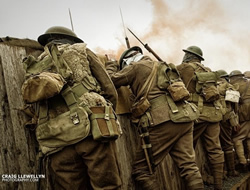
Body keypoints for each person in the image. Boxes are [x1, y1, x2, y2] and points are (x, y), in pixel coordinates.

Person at [22, 26, 122, 190]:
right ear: (71, 40)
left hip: (57, 140)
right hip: (92, 130)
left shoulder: (36, 65)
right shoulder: (81, 50)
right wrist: (107, 117)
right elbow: (109, 89)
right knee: (107, 186)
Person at [106, 46, 204, 190]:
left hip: (163, 120)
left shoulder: (135, 67)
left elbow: (110, 80)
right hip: (185, 117)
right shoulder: (163, 66)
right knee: (189, 166)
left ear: (127, 61)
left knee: (141, 170)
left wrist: (110, 66)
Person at [177, 46, 224, 190]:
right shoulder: (208, 70)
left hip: (197, 114)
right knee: (215, 149)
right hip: (213, 114)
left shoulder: (184, 68)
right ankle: (219, 185)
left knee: (186, 151)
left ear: (188, 56)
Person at [216, 70, 240, 177]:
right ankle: (231, 170)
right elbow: (234, 104)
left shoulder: (212, 85)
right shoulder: (228, 86)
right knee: (227, 144)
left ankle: (222, 172)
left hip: (213, 118)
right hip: (226, 118)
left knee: (216, 145)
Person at [229, 70, 250, 172]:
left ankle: (243, 162)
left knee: (238, 138)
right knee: (249, 137)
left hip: (245, 112)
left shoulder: (234, 85)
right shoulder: (248, 83)